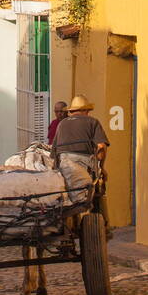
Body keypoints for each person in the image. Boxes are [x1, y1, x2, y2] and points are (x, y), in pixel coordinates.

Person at [52, 96, 109, 224]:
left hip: (62, 162)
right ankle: (104, 223)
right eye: (88, 111)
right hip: (84, 162)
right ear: (85, 110)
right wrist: (102, 167)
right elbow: (101, 147)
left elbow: (54, 151)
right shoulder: (93, 122)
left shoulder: (62, 124)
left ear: (72, 111)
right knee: (98, 187)